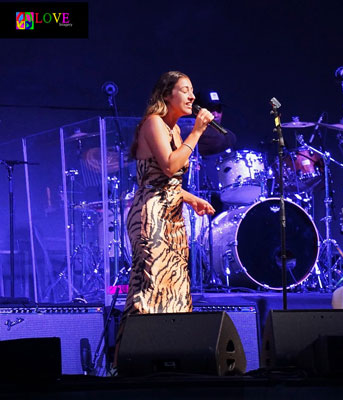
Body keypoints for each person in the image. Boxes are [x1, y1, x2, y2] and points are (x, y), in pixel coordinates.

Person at [114, 71, 216, 364]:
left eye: (192, 90)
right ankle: (125, 365)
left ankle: (167, 362)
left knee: (174, 291)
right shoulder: (154, 123)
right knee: (147, 290)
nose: (192, 96)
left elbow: (170, 182)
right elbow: (169, 168)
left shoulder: (174, 131)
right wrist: (197, 132)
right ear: (167, 95)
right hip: (152, 217)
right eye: (185, 90)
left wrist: (191, 198)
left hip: (173, 217)